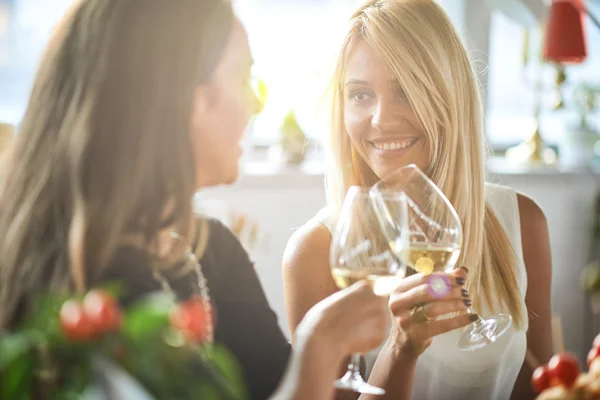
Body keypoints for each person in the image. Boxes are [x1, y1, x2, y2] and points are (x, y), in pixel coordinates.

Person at [0, 1, 389, 399]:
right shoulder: (80, 299)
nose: (254, 104)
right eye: (243, 78)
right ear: (190, 100)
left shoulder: (214, 252)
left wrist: (402, 345)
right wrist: (317, 349)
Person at [283, 0, 553, 399]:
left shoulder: (522, 221)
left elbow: (544, 385)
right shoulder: (315, 252)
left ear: (451, 97)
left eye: (405, 91)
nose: (380, 119)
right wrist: (401, 348)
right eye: (360, 95)